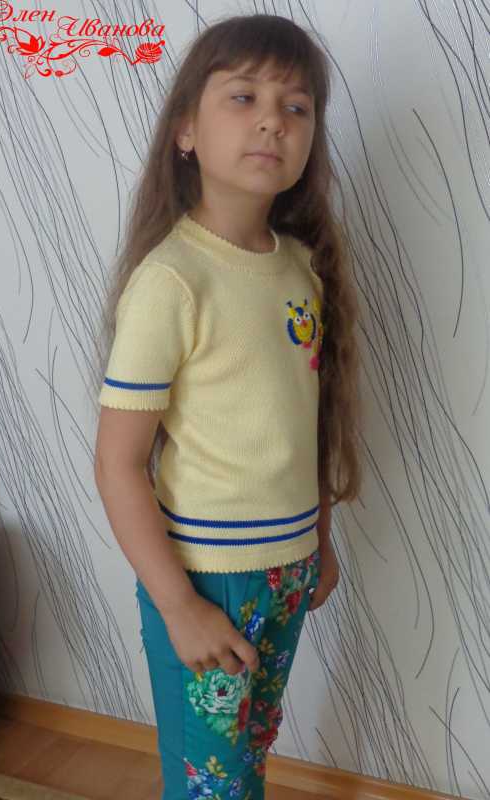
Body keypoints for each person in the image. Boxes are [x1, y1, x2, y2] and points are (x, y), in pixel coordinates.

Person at [93, 12, 363, 800]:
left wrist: (319, 540)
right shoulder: (172, 280)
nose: (272, 121)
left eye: (295, 106)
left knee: (246, 758)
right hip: (208, 578)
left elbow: (305, 424)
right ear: (186, 130)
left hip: (287, 570)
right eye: (243, 97)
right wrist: (178, 606)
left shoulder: (301, 269)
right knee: (207, 780)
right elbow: (117, 464)